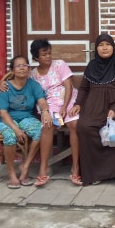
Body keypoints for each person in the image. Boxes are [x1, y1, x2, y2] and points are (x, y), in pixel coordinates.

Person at [68, 33, 115, 186]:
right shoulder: (91, 66)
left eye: (108, 44)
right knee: (85, 127)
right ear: (96, 48)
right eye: (101, 45)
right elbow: (84, 88)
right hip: (94, 106)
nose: (104, 48)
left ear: (113, 47)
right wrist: (78, 104)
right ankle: (96, 172)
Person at [0, 55, 52, 189]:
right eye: (19, 66)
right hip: (3, 120)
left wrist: (45, 111)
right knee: (10, 136)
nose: (23, 68)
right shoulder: (5, 87)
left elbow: (41, 100)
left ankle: (25, 167)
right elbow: (2, 112)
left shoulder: (33, 85)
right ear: (12, 71)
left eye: (25, 65)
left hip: (24, 117)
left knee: (40, 130)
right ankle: (11, 173)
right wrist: (16, 129)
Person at [30, 39, 82, 186]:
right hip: (51, 107)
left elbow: (69, 86)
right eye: (44, 54)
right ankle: (43, 169)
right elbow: (16, 74)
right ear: (36, 58)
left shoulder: (59, 65)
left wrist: (64, 107)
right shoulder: (33, 74)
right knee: (48, 126)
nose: (48, 56)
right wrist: (2, 82)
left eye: (49, 53)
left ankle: (75, 167)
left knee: (74, 125)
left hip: (68, 102)